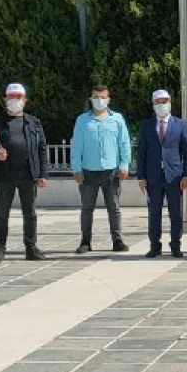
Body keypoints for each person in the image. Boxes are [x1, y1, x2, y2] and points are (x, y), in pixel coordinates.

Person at [0, 83, 48, 264]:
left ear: (25, 100)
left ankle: (31, 248)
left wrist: (43, 174)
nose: (15, 100)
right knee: (2, 212)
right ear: (5, 99)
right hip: (5, 175)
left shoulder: (33, 122)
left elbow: (42, 148)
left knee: (30, 213)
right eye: (11, 97)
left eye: (18, 97)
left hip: (28, 174)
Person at [71, 84, 131, 254]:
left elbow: (124, 143)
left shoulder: (117, 119)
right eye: (96, 97)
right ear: (91, 99)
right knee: (87, 208)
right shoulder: (82, 120)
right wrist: (76, 168)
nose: (100, 100)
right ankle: (85, 241)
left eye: (103, 97)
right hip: (88, 171)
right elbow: (76, 145)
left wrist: (124, 165)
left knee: (114, 208)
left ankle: (117, 240)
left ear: (109, 99)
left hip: (111, 171)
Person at [137, 90, 187, 258]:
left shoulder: (180, 124)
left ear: (170, 103)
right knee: (154, 213)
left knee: (175, 213)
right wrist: (141, 177)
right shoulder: (147, 125)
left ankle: (176, 245)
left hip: (174, 176)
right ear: (153, 105)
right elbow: (141, 152)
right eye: (158, 102)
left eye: (165, 101)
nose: (162, 105)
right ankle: (155, 245)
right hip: (153, 176)